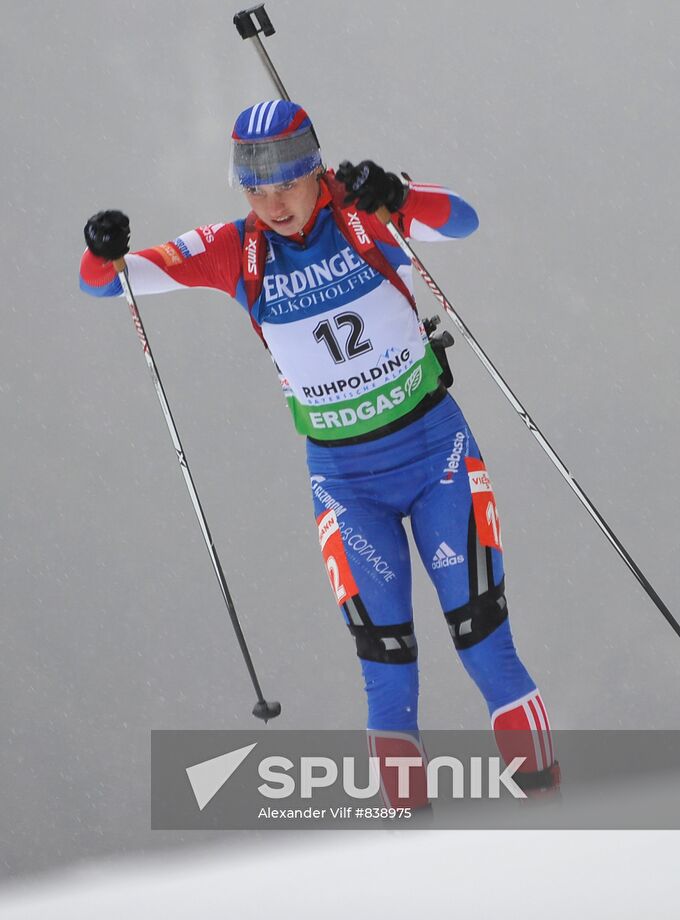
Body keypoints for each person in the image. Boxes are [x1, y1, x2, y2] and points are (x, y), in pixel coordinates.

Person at [80, 99, 559, 806]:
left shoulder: (364, 215)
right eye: (255, 188)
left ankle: (550, 813)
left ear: (315, 172)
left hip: (437, 457)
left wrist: (399, 196)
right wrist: (103, 246)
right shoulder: (232, 250)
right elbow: (105, 281)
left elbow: (461, 220)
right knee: (387, 670)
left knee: (483, 642)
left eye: (286, 183)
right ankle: (409, 843)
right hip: (344, 482)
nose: (271, 202)